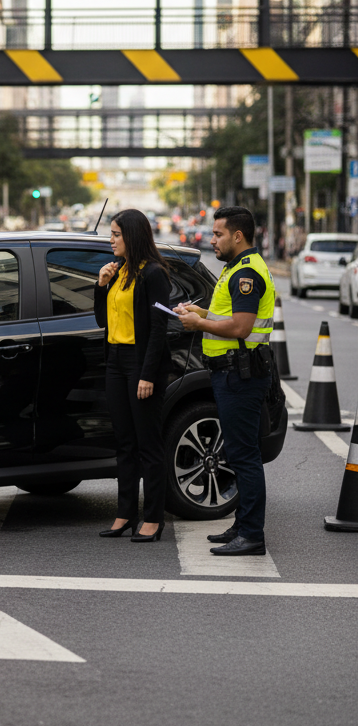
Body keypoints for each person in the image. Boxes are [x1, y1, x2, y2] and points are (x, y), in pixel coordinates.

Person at [175, 205, 276, 557]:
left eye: (218, 234)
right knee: (236, 451)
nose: (211, 239)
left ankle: (251, 535)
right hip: (232, 373)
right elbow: (227, 316)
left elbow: (241, 327)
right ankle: (242, 524)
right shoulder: (235, 269)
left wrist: (199, 325)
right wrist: (200, 312)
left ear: (238, 235)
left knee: (244, 455)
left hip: (240, 374)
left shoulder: (246, 274)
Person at [94, 208, 174, 542]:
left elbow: (158, 329)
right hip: (115, 360)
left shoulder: (153, 274)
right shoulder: (119, 271)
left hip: (140, 362)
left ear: (132, 236)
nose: (110, 240)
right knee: (124, 443)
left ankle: (154, 518)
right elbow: (103, 321)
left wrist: (147, 374)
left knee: (148, 444)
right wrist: (101, 285)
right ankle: (125, 513)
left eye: (115, 234)